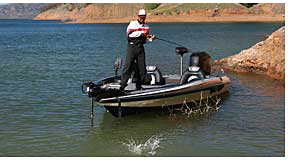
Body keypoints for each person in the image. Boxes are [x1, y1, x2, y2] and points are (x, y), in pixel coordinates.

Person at [120, 9, 156, 91]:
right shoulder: (132, 24)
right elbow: (130, 35)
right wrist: (142, 33)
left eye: (144, 17)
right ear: (138, 16)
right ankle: (122, 86)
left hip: (140, 48)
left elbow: (144, 40)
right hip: (131, 48)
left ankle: (138, 86)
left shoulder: (147, 27)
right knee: (128, 67)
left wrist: (151, 39)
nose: (142, 18)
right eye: (141, 16)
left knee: (141, 68)